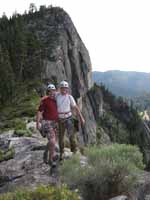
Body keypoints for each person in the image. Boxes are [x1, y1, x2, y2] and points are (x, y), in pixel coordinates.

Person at [56, 81, 85, 161]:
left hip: (68, 118)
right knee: (61, 137)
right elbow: (50, 97)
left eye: (65, 88)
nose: (64, 90)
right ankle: (61, 152)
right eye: (62, 88)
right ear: (60, 89)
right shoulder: (57, 96)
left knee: (72, 136)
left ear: (67, 89)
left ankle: (75, 151)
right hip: (60, 119)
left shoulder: (69, 97)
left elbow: (76, 108)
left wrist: (81, 117)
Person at [36, 84, 58, 167]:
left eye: (53, 91)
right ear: (47, 92)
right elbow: (39, 111)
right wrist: (37, 123)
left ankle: (45, 153)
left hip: (55, 122)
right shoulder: (44, 100)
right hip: (47, 122)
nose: (52, 93)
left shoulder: (57, 99)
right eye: (50, 91)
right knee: (52, 141)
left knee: (52, 141)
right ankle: (50, 160)